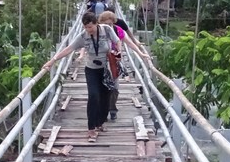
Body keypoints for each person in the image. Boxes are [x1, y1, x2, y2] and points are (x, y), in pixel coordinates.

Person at [42, 12, 119, 141]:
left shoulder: (106, 30)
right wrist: (52, 61)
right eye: (85, 27)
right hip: (91, 70)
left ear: (96, 24)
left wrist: (118, 53)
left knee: (105, 98)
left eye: (90, 27)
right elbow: (69, 49)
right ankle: (91, 128)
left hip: (105, 70)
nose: (88, 30)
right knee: (93, 96)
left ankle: (99, 123)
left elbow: (117, 41)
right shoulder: (83, 36)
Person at [98, 10, 151, 121]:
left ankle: (112, 109)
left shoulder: (118, 30)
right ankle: (104, 109)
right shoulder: (97, 31)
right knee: (102, 87)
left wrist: (141, 53)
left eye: (110, 24)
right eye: (105, 24)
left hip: (114, 61)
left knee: (115, 87)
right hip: (100, 62)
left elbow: (130, 43)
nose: (108, 26)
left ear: (113, 22)